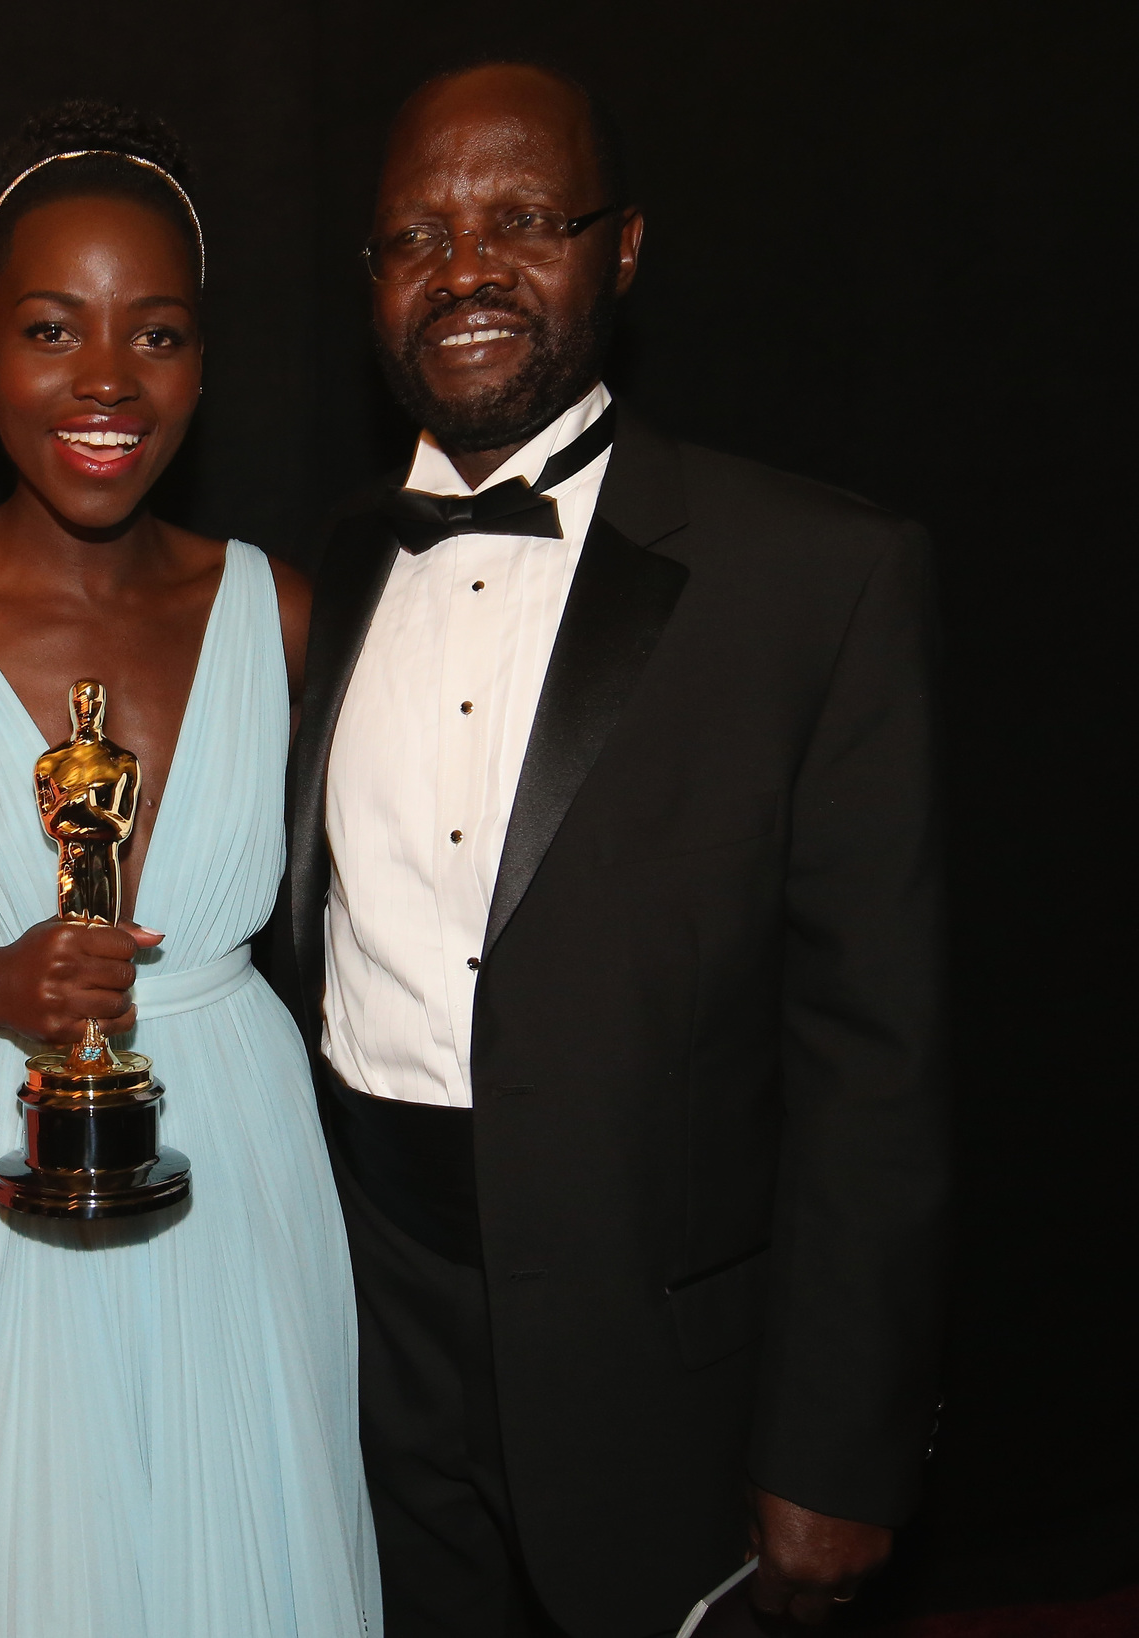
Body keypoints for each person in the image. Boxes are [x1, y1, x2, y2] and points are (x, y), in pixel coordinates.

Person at [280, 60, 949, 1638]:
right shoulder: (339, 563)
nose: (466, 271)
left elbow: (881, 1058)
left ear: (624, 248)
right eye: (417, 236)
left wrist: (840, 1443)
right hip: (374, 1347)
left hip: (669, 1386)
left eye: (524, 218)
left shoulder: (820, 578)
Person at [0, 103, 381, 1638]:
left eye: (154, 334)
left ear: (202, 368)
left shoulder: (283, 611)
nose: (106, 379)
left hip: (239, 1161)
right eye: (53, 328)